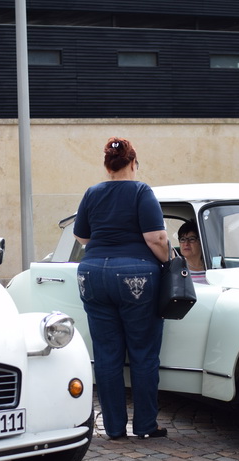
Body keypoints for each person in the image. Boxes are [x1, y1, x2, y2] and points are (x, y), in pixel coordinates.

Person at [73, 137, 169, 440]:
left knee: (106, 354)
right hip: (135, 276)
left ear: (106, 165)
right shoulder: (141, 191)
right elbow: (157, 239)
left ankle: (114, 428)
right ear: (133, 162)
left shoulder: (92, 193)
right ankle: (145, 426)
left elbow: (82, 238)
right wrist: (171, 263)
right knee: (142, 353)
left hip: (92, 275)